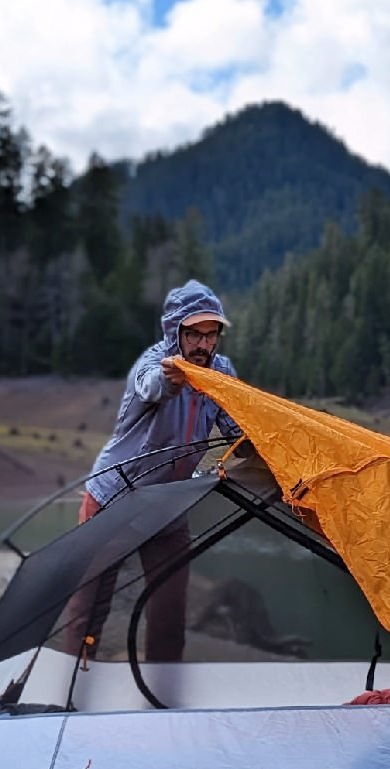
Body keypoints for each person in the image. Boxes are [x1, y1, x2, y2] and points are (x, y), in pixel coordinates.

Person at [63, 279, 242, 663]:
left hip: (168, 508)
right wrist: (171, 377)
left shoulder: (222, 372)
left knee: (169, 613)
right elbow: (152, 387)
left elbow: (235, 427)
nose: (204, 345)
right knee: (89, 608)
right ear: (175, 331)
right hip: (114, 500)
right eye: (194, 333)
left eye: (212, 335)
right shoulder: (153, 364)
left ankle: (161, 699)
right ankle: (70, 695)